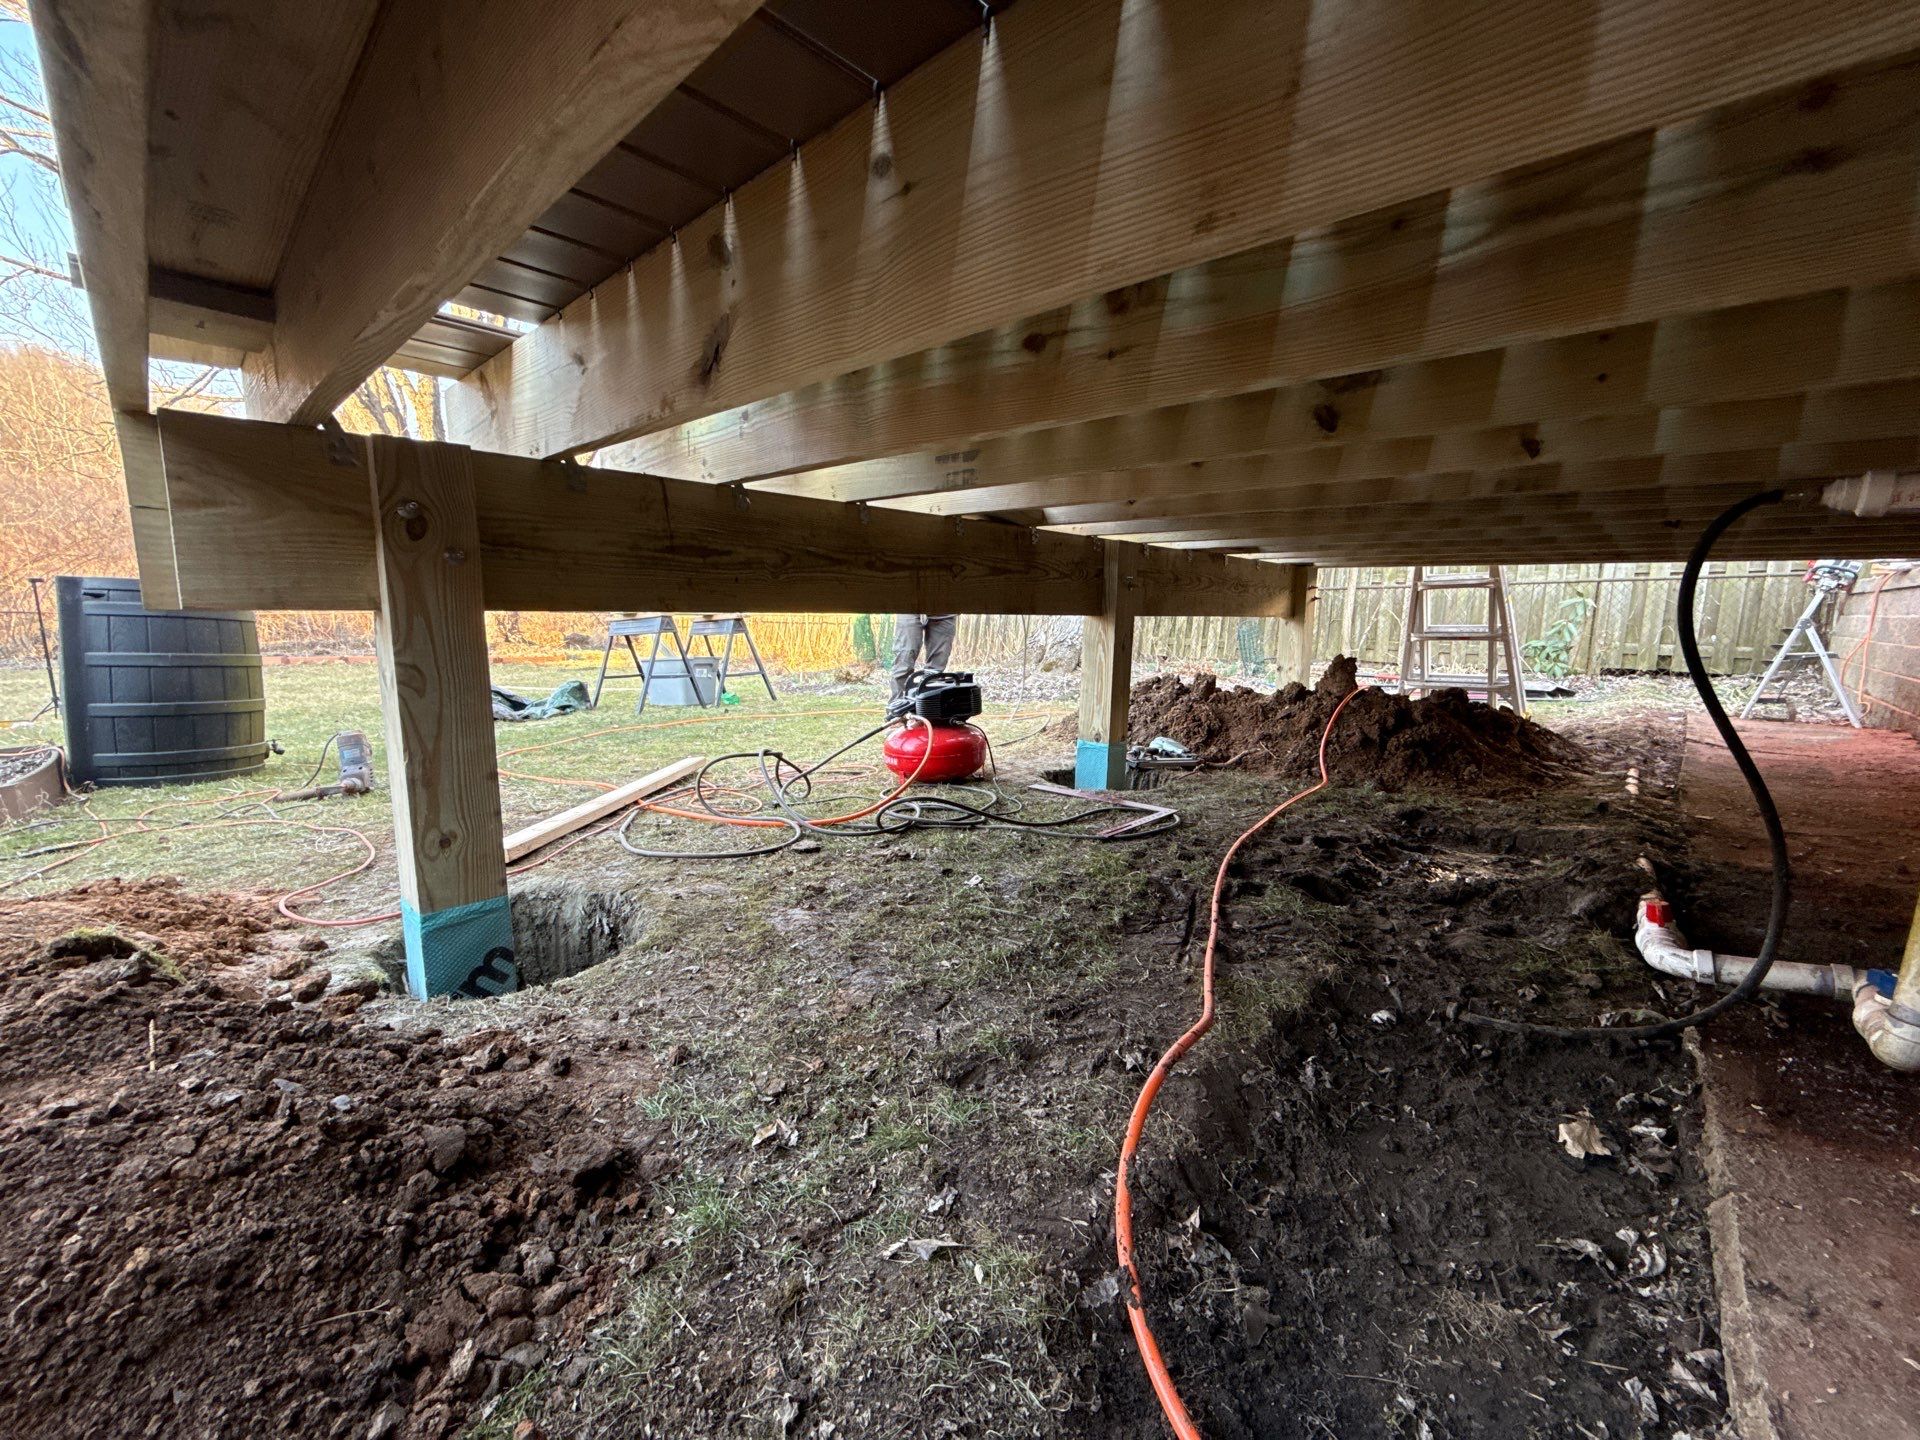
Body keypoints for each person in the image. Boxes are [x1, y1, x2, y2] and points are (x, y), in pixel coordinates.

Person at [891, 613, 956, 701]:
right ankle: (897, 707)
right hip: (909, 607)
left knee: (935, 670)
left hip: (945, 609)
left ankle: (927, 707)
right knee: (904, 661)